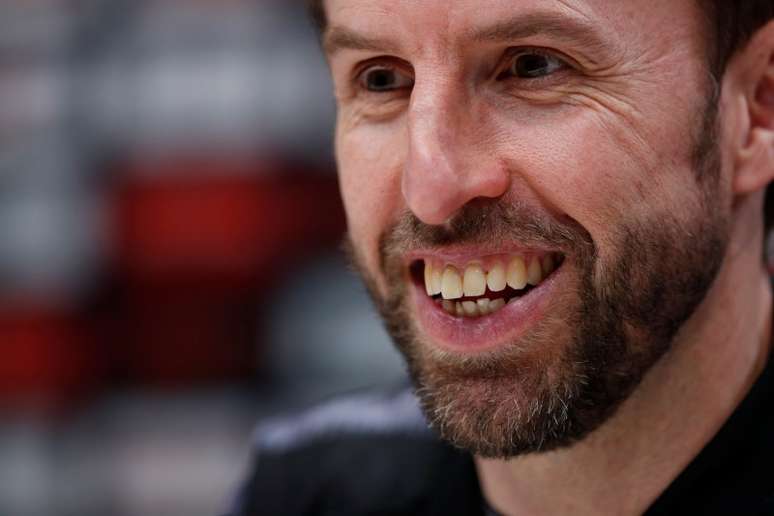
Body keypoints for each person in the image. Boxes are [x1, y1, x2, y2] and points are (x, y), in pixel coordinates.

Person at [226, 1, 774, 514]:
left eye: (533, 67)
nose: (431, 190)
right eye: (381, 79)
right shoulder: (305, 492)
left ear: (757, 110)